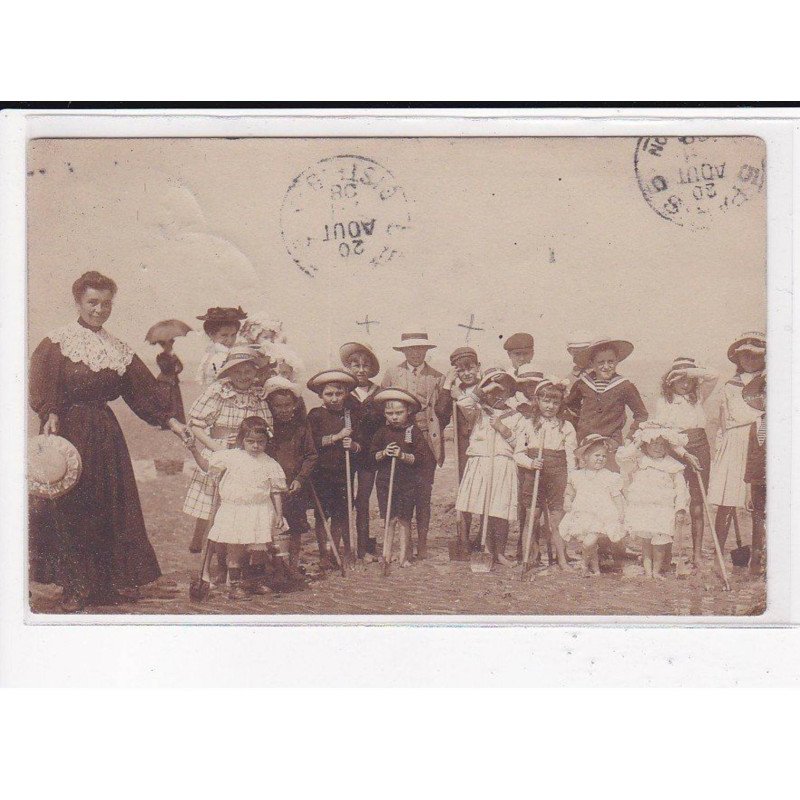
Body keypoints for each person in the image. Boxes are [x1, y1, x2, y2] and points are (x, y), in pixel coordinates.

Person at [28, 271, 190, 611]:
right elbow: (43, 382)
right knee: (71, 508)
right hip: (67, 434)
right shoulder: (56, 343)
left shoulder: (118, 349)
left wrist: (174, 422)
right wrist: (50, 411)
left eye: (106, 303)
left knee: (110, 507)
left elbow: (143, 392)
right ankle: (74, 585)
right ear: (78, 302)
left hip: (105, 435)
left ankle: (104, 584)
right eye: (92, 302)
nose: (99, 310)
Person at [186, 417, 287, 600]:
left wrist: (279, 514)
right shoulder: (231, 457)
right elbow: (207, 467)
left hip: (259, 510)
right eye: (250, 441)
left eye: (260, 442)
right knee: (236, 549)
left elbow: (276, 491)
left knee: (259, 548)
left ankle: (254, 581)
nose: (255, 446)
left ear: (266, 441)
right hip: (235, 509)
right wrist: (194, 449)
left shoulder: (270, 463)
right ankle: (235, 585)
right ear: (242, 440)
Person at [184, 346, 272, 555]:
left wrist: (245, 445)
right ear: (229, 372)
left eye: (248, 372)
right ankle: (200, 539)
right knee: (208, 503)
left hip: (245, 454)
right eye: (238, 372)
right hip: (218, 448)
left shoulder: (258, 396)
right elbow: (195, 425)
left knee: (234, 505)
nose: (243, 377)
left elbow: (266, 427)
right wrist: (217, 448)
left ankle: (227, 551)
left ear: (255, 373)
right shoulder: (218, 392)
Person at [380, 330, 444, 559]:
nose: (416, 353)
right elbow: (382, 407)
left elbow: (442, 413)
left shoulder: (437, 377)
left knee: (423, 494)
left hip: (425, 440)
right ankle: (401, 548)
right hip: (399, 441)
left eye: (420, 348)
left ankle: (423, 544)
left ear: (426, 350)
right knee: (401, 492)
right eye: (411, 349)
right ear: (404, 351)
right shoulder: (392, 373)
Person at [651, 356, 717, 566]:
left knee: (698, 502)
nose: (685, 383)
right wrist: (685, 454)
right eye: (680, 378)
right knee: (672, 500)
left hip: (701, 445)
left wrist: (692, 372)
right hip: (676, 449)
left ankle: (696, 555)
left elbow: (714, 375)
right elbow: (665, 433)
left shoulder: (697, 397)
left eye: (688, 378)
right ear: (670, 381)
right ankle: (666, 553)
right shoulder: (664, 402)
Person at [455, 368, 523, 567]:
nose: (497, 394)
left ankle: (500, 552)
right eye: (492, 390)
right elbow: (463, 402)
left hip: (503, 463)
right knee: (483, 506)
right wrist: (484, 388)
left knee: (500, 510)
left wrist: (502, 428)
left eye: (502, 390)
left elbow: (520, 444)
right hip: (481, 461)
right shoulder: (477, 412)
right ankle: (486, 549)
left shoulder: (516, 415)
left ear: (510, 392)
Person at [707, 331, 766, 552]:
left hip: (760, 440)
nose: (750, 360)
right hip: (733, 442)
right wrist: (721, 449)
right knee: (727, 502)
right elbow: (723, 420)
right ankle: (717, 556)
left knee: (758, 503)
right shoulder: (730, 385)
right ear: (738, 359)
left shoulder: (769, 380)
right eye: (745, 356)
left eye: (755, 355)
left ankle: (757, 558)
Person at [513, 377, 576, 570]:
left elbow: (571, 458)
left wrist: (571, 483)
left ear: (560, 404)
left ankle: (562, 560)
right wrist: (531, 463)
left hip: (558, 474)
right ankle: (528, 559)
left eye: (555, 402)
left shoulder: (566, 426)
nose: (550, 406)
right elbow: (517, 454)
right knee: (532, 517)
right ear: (537, 401)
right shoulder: (528, 424)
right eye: (546, 401)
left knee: (557, 519)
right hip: (534, 474)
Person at [616, 423, 691, 580]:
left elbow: (681, 490)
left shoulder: (673, 466)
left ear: (668, 447)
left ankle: (656, 571)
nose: (658, 447)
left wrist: (680, 509)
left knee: (660, 542)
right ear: (646, 444)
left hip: (664, 510)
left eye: (662, 444)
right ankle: (648, 572)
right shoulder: (639, 460)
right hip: (645, 508)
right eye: (654, 443)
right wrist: (637, 442)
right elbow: (621, 459)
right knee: (646, 542)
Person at [306, 369, 362, 566]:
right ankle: (323, 554)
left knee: (341, 513)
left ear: (346, 394)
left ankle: (335, 551)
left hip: (343, 472)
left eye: (339, 394)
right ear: (320, 395)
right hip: (322, 473)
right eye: (329, 394)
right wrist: (337, 437)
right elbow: (312, 442)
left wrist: (353, 445)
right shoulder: (315, 415)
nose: (335, 398)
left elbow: (361, 443)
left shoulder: (350, 416)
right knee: (323, 515)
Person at [264, 376, 318, 580]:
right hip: (272, 490)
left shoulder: (302, 428)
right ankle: (275, 568)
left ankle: (292, 567)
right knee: (273, 528)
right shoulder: (267, 431)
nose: (284, 409)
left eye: (288, 405)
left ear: (295, 405)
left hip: (295, 487)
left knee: (295, 528)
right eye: (278, 406)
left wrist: (301, 478)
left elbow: (311, 455)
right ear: (270, 406)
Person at [370, 388, 431, 568]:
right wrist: (384, 453)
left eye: (399, 413)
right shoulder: (382, 432)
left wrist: (402, 455)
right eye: (390, 413)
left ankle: (404, 556)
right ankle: (386, 554)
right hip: (385, 482)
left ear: (408, 411)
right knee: (389, 518)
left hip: (407, 483)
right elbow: (372, 455)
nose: (394, 417)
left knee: (404, 519)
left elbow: (422, 457)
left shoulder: (413, 432)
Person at [564, 336, 649, 464]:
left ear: (617, 361)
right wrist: (582, 424)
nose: (606, 366)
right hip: (585, 442)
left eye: (611, 361)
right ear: (592, 363)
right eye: (600, 362)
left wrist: (630, 436)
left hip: (611, 443)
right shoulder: (583, 384)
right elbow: (570, 406)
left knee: (610, 478)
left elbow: (641, 414)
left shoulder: (624, 385)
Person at [559, 434, 625, 576]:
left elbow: (616, 495)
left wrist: (620, 513)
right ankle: (595, 569)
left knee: (589, 542)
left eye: (604, 456)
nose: (601, 459)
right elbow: (569, 492)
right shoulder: (577, 475)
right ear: (585, 457)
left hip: (601, 514)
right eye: (597, 456)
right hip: (582, 513)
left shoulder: (609, 476)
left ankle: (583, 565)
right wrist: (567, 501)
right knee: (589, 542)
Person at [435, 347, 482, 546]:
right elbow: (440, 413)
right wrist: (448, 386)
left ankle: (483, 537)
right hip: (464, 447)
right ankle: (463, 537)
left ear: (478, 367)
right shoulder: (455, 391)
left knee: (485, 488)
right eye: (461, 370)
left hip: (485, 446)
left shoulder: (487, 386)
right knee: (465, 489)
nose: (467, 373)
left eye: (470, 368)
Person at [341, 341, 383, 560]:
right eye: (355, 365)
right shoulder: (343, 392)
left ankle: (364, 546)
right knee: (345, 497)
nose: (360, 369)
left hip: (368, 455)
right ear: (348, 367)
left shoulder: (379, 393)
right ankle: (347, 546)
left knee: (363, 499)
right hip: (346, 453)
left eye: (365, 365)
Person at [742, 373, 766, 577]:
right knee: (757, 517)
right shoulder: (756, 424)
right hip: (758, 479)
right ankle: (756, 557)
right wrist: (747, 484)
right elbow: (750, 455)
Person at [196, 306, 247, 387]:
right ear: (211, 334)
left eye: (233, 335)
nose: (230, 340)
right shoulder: (220, 357)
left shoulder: (216, 353)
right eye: (224, 335)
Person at [154, 337, 186, 423]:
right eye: (168, 344)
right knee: (166, 401)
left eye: (171, 344)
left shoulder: (173, 356)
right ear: (163, 345)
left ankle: (178, 420)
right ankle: (166, 421)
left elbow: (180, 367)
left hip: (173, 381)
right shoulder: (161, 356)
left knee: (176, 401)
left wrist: (176, 366)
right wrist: (174, 360)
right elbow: (165, 368)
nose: (171, 346)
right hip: (164, 382)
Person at [503, 332, 536, 409]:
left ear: (532, 354)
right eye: (517, 354)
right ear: (509, 355)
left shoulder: (541, 376)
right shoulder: (504, 378)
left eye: (525, 354)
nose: (522, 358)